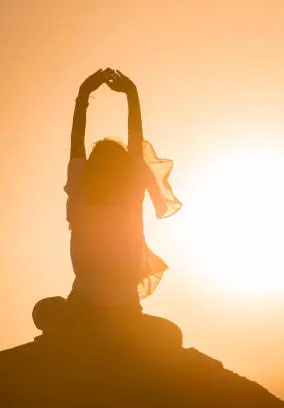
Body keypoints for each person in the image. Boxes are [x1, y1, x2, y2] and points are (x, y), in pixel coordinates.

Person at [33, 68, 182, 347]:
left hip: (88, 307)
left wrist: (84, 95)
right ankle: (111, 333)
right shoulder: (130, 191)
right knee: (170, 335)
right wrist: (130, 94)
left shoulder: (82, 188)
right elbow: (135, 139)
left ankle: (90, 332)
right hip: (118, 311)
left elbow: (77, 142)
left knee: (44, 311)